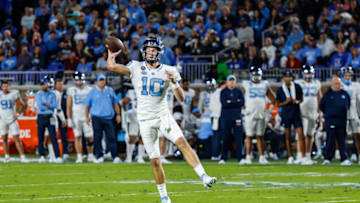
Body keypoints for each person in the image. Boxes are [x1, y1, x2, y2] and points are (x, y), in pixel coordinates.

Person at [106, 37, 216, 203]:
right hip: (145, 120)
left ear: (159, 52)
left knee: (182, 143)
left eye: (154, 49)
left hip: (163, 115)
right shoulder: (135, 66)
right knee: (155, 161)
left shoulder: (169, 69)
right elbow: (112, 67)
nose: (150, 51)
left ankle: (204, 177)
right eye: (148, 49)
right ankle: (164, 197)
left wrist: (174, 83)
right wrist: (111, 54)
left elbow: (181, 97)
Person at [85, 74, 122, 164]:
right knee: (97, 137)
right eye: (100, 80)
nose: (102, 82)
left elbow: (115, 103)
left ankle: (115, 156)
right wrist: (86, 117)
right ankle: (99, 156)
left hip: (109, 117)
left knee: (112, 137)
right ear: (97, 81)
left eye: (103, 80)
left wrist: (118, 114)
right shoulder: (92, 92)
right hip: (96, 117)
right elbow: (87, 106)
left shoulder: (110, 90)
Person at [242, 66, 275, 164]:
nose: (256, 77)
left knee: (260, 136)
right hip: (249, 114)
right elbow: (239, 98)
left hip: (261, 113)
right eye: (254, 75)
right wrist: (243, 109)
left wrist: (269, 110)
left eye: (257, 75)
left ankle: (262, 157)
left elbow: (273, 99)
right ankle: (248, 157)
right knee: (248, 135)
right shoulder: (246, 84)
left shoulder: (264, 84)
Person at [320, 77, 352, 165]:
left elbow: (348, 105)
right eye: (336, 83)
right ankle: (327, 158)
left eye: (339, 83)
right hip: (331, 120)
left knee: (342, 140)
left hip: (342, 120)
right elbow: (322, 106)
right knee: (330, 139)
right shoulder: (327, 94)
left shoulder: (345, 94)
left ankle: (344, 158)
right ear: (332, 84)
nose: (338, 85)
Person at [276, 70, 306, 164]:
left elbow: (301, 99)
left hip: (296, 112)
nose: (288, 79)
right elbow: (278, 104)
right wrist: (286, 102)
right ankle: (290, 156)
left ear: (292, 78)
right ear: (284, 78)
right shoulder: (281, 89)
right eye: (286, 77)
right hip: (286, 114)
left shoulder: (297, 87)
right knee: (287, 136)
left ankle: (302, 155)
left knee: (301, 134)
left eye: (289, 77)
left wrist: (296, 101)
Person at [295, 65, 322, 165]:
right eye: (307, 73)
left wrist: (320, 113)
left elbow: (320, 98)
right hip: (301, 112)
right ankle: (299, 156)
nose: (309, 75)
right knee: (301, 135)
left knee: (310, 135)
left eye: (310, 73)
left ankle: (307, 156)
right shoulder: (298, 83)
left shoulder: (316, 83)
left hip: (313, 113)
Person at [67, 72, 95, 163]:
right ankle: (79, 156)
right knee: (77, 136)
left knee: (90, 137)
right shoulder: (71, 90)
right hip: (76, 116)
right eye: (77, 80)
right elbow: (69, 106)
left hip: (87, 116)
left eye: (80, 79)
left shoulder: (89, 89)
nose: (79, 81)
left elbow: (92, 104)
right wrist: (69, 118)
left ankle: (90, 155)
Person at [35, 76, 63, 163]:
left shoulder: (52, 94)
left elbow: (55, 105)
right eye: (42, 84)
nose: (43, 86)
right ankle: (42, 156)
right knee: (41, 137)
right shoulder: (38, 94)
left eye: (44, 84)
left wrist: (48, 106)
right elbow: (40, 105)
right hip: (41, 116)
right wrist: (49, 106)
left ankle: (57, 156)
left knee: (53, 137)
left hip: (50, 117)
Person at [218, 75, 245, 165]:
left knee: (239, 139)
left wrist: (231, 102)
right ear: (227, 82)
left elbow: (242, 102)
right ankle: (223, 158)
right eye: (230, 80)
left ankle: (240, 158)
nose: (232, 82)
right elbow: (224, 104)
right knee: (225, 138)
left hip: (237, 117)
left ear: (235, 82)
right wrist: (235, 102)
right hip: (226, 118)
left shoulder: (239, 91)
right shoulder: (223, 92)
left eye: (233, 80)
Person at [0, 80, 29, 163]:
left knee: (16, 138)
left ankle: (22, 157)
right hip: (2, 119)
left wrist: (18, 113)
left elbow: (22, 104)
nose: (5, 88)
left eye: (6, 86)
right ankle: (6, 156)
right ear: (1, 87)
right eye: (4, 86)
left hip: (12, 119)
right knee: (4, 138)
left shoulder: (14, 93)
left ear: (9, 86)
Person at [340, 66, 360, 165]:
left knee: (357, 135)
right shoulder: (339, 85)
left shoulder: (356, 85)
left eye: (349, 75)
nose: (348, 77)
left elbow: (358, 101)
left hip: (354, 113)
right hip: (343, 114)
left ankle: (358, 154)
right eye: (346, 75)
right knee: (344, 136)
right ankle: (345, 156)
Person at [121, 86, 146, 164]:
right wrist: (126, 113)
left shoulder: (147, 90)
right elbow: (124, 102)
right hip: (134, 116)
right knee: (132, 137)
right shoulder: (132, 92)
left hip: (144, 115)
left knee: (143, 137)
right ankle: (129, 158)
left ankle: (140, 157)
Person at [209, 80, 226, 160]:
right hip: (219, 116)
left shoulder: (214, 93)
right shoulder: (221, 93)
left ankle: (215, 154)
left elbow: (210, 107)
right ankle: (216, 154)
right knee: (218, 136)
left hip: (214, 116)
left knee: (216, 136)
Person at [53, 78, 69, 160]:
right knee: (51, 135)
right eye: (58, 84)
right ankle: (51, 152)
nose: (59, 85)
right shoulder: (52, 93)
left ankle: (65, 152)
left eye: (61, 83)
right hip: (54, 116)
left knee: (64, 135)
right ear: (55, 85)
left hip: (63, 115)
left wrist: (65, 118)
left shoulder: (66, 93)